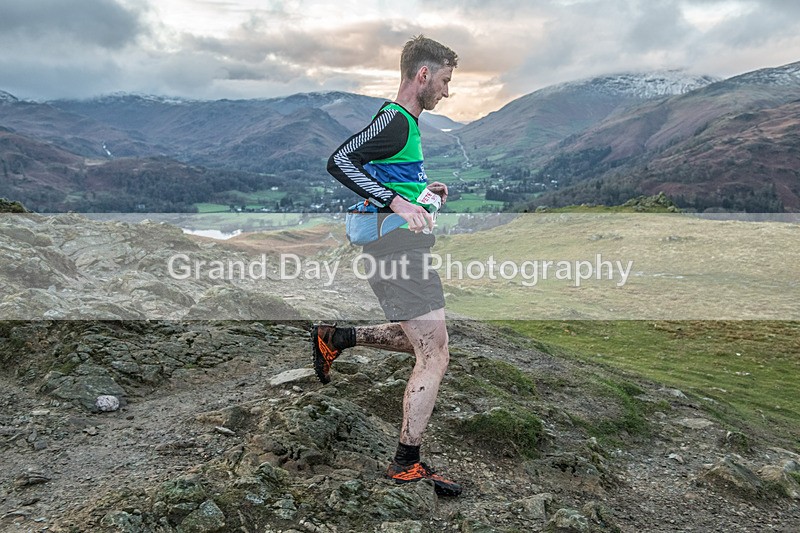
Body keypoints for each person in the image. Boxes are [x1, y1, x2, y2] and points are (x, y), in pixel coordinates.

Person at [313, 35, 461, 497]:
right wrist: (397, 202)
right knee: (434, 353)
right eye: (444, 81)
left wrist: (419, 190)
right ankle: (405, 463)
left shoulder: (403, 124)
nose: (446, 91)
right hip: (395, 250)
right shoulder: (396, 121)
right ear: (423, 75)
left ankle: (336, 338)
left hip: (400, 247)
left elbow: (378, 171)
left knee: (424, 339)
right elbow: (340, 161)